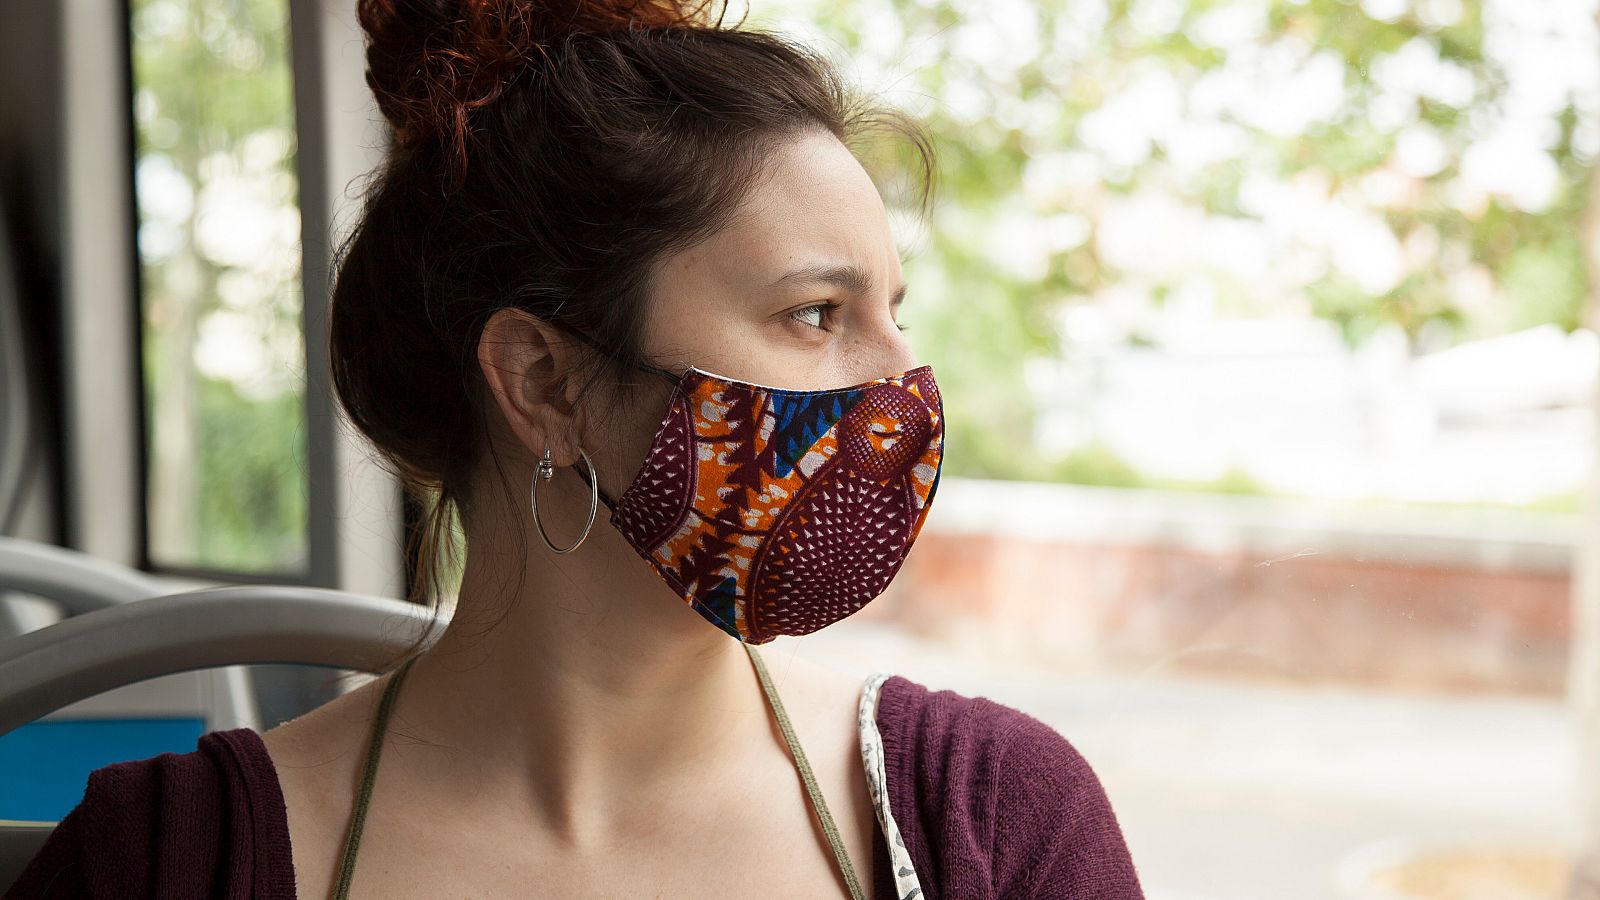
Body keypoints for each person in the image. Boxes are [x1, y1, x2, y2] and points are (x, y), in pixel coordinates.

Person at [8, 0, 1144, 896]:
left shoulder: (995, 821)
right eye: (814, 315)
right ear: (544, 381)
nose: (900, 385)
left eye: (893, 312)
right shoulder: (163, 860)